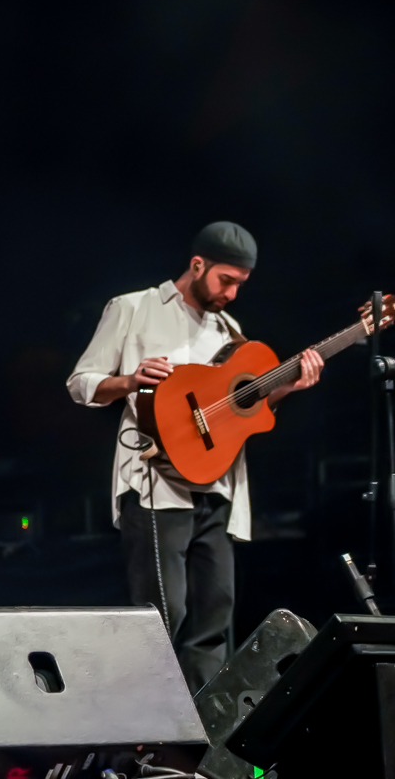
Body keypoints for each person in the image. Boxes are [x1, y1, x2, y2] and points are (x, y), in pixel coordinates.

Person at [66, 222, 323, 692]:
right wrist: (129, 380)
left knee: (214, 616)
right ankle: (146, 725)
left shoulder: (230, 331)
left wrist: (287, 387)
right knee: (163, 616)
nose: (232, 293)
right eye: (226, 280)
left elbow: (242, 409)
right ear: (197, 264)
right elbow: (81, 383)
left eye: (240, 285)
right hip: (156, 484)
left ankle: (205, 729)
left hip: (218, 486)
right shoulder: (134, 308)